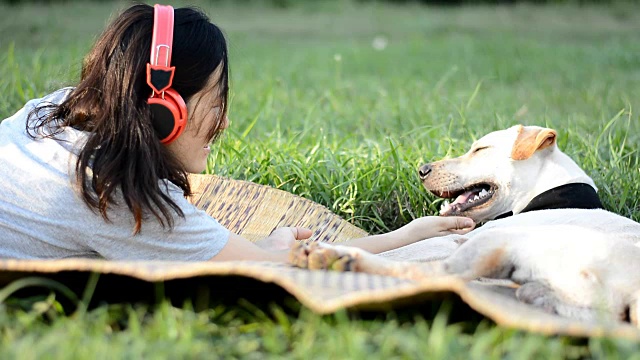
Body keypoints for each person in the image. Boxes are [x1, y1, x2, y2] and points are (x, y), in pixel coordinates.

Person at [0, 4, 474, 262]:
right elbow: (284, 270)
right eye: (215, 105)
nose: (224, 124)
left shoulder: (56, 108)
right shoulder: (116, 193)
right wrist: (407, 236)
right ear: (164, 110)